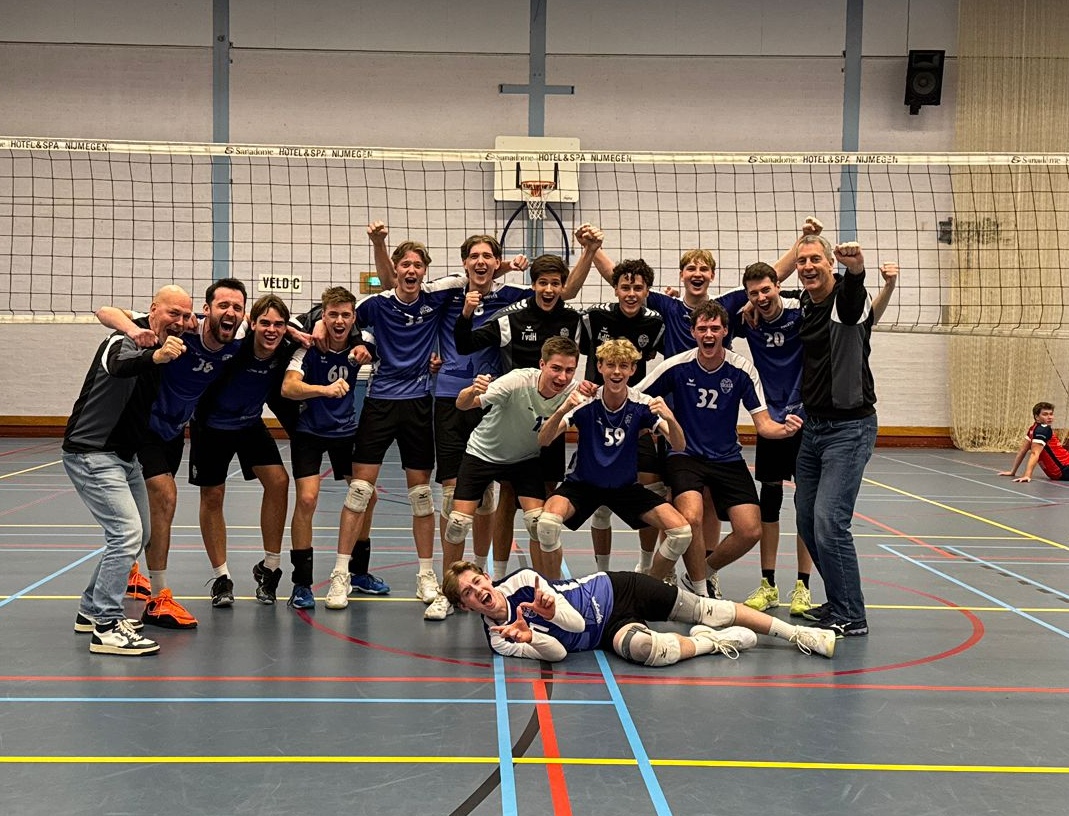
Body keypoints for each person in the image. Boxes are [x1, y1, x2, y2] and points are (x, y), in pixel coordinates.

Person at [96, 278, 248, 630]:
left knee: (154, 509)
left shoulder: (240, 336)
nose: (230, 312)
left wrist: (302, 332)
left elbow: (278, 326)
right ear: (206, 310)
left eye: (237, 307)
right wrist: (134, 331)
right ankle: (159, 596)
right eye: (222, 305)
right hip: (146, 427)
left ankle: (133, 571)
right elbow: (105, 311)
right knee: (165, 497)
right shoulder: (182, 327)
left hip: (176, 431)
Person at [454, 230, 600, 578]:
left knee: (545, 506)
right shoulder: (512, 317)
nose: (548, 290)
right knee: (507, 497)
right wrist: (467, 313)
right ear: (533, 284)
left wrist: (591, 381)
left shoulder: (573, 321)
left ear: (563, 286)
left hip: (552, 417)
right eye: (542, 283)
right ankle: (500, 575)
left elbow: (597, 352)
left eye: (555, 284)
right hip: (514, 419)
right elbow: (465, 344)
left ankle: (546, 579)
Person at [636, 301, 803, 600]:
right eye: (702, 328)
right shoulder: (677, 366)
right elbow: (635, 396)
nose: (709, 334)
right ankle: (701, 593)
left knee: (751, 530)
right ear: (693, 332)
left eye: (715, 328)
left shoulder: (741, 369)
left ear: (725, 331)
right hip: (685, 455)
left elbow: (764, 424)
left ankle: (701, 572)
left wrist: (785, 430)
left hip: (727, 458)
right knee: (691, 518)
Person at [63, 285, 194, 655]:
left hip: (125, 457)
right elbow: (118, 364)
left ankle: (90, 610)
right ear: (153, 310)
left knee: (140, 534)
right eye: (173, 313)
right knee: (125, 534)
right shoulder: (123, 340)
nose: (180, 321)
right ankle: (106, 627)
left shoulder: (171, 336)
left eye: (185, 316)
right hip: (92, 452)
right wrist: (154, 354)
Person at [441, 561, 835, 664]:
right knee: (648, 651)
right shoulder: (500, 640)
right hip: (606, 632)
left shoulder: (524, 581)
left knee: (708, 609)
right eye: (469, 594)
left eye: (478, 581)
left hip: (617, 589)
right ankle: (712, 644)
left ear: (487, 576)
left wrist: (550, 610)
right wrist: (533, 637)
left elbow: (574, 621)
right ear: (464, 606)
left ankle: (798, 634)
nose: (479, 592)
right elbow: (559, 653)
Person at [537, 339, 689, 582]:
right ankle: (555, 591)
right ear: (600, 367)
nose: (617, 372)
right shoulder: (586, 400)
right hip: (583, 485)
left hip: (624, 488)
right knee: (547, 524)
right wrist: (563, 409)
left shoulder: (641, 403)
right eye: (610, 365)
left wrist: (670, 418)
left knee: (681, 532)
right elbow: (544, 440)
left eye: (623, 365)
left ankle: (649, 585)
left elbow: (679, 445)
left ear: (632, 369)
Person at [443, 337, 591, 580]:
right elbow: (463, 404)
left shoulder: (574, 393)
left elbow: (547, 439)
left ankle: (548, 587)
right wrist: (472, 390)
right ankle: (448, 590)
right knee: (457, 524)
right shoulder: (517, 381)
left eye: (569, 370)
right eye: (556, 368)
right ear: (542, 364)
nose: (562, 377)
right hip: (483, 453)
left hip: (524, 459)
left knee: (539, 525)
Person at [792, 235, 878, 637]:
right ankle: (838, 601)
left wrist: (855, 268)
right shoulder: (806, 302)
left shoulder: (847, 302)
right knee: (807, 519)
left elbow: (853, 292)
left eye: (816, 259)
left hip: (849, 430)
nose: (808, 266)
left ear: (830, 264)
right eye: (802, 261)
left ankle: (852, 615)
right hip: (813, 428)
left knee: (830, 521)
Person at [190, 294, 297, 607]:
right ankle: (221, 578)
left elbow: (316, 327)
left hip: (249, 423)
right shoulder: (234, 347)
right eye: (265, 323)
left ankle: (270, 568)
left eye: (279, 324)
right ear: (253, 323)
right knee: (213, 495)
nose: (271, 330)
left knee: (279, 481)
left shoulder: (286, 350)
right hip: (211, 427)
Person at [725, 262, 815, 617]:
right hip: (771, 420)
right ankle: (768, 584)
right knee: (770, 501)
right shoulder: (748, 320)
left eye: (766, 290)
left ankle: (803, 587)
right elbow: (713, 318)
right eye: (754, 293)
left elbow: (823, 290)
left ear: (778, 285)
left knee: (806, 504)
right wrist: (746, 305)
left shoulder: (799, 310)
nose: (761, 298)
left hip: (804, 416)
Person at [281, 286, 374, 609]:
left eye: (345, 315)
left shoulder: (360, 346)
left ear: (353, 318)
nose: (339, 321)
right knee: (307, 499)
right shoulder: (308, 346)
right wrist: (324, 390)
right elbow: (288, 387)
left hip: (345, 432)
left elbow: (388, 345)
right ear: (323, 315)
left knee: (367, 496)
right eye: (332, 314)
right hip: (310, 431)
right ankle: (301, 583)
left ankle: (359, 573)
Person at [577, 259, 666, 572]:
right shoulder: (594, 316)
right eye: (625, 287)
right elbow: (580, 352)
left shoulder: (654, 322)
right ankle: (602, 572)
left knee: (653, 490)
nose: (631, 293)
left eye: (638, 288)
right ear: (615, 288)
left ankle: (646, 568)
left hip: (634, 416)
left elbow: (652, 356)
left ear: (647, 291)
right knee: (601, 505)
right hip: (598, 416)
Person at [999, 401, 1069, 482]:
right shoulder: (1043, 430)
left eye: (1051, 414)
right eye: (1045, 414)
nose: (1049, 417)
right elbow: (1034, 453)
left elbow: (1022, 451)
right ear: (1037, 417)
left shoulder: (1033, 429)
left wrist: (1013, 471)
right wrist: (1027, 475)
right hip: (1064, 470)